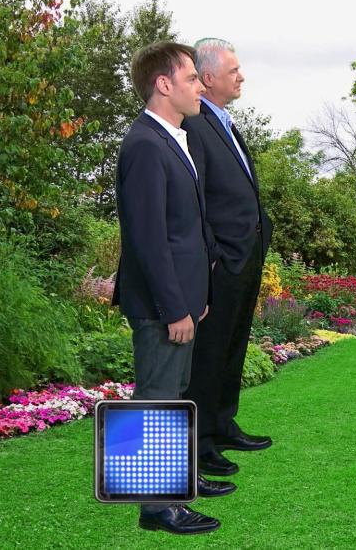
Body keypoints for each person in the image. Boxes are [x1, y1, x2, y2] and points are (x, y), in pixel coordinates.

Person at [113, 41, 234, 536]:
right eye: (191, 78)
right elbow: (148, 238)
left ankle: (175, 483)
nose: (200, 87)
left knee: (173, 392)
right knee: (156, 397)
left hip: (183, 299)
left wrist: (196, 296)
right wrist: (173, 308)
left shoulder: (172, 138)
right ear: (164, 85)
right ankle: (157, 507)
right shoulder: (144, 144)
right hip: (161, 304)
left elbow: (187, 229)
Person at [181, 38, 274, 479]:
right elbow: (195, 199)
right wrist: (215, 256)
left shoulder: (225, 122)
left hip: (247, 256)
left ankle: (222, 424)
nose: (241, 77)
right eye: (233, 70)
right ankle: (200, 445)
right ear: (208, 77)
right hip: (222, 263)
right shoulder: (195, 125)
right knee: (210, 352)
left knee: (233, 346)